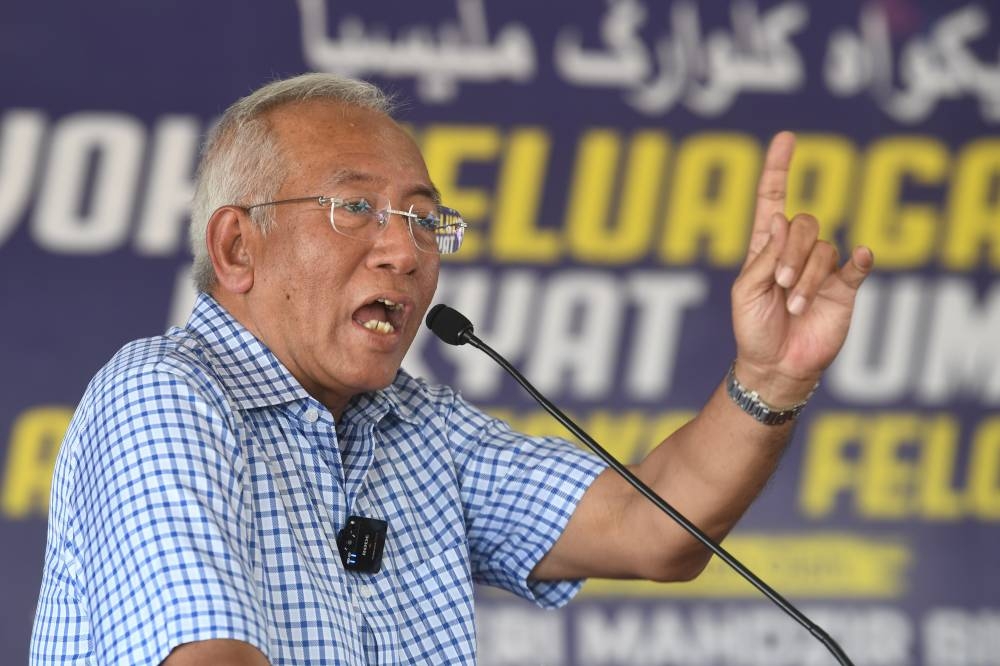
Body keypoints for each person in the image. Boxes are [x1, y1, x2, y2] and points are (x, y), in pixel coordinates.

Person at [31, 72, 873, 665]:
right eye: (354, 207)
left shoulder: (420, 427)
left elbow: (652, 528)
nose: (403, 248)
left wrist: (772, 377)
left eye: (425, 220)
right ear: (237, 245)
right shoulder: (165, 394)